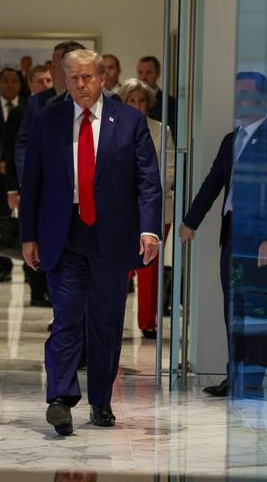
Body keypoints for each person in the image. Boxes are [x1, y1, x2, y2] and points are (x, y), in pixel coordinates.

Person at [20, 49, 162, 435]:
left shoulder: (130, 122)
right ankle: (61, 398)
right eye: (73, 78)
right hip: (62, 233)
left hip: (113, 237)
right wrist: (28, 235)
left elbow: (149, 181)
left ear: (103, 79)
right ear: (63, 79)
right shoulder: (48, 119)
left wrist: (149, 230)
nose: (81, 85)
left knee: (105, 323)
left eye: (88, 77)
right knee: (66, 318)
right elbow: (32, 181)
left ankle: (101, 400)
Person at [179, 71, 267, 399]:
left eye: (244, 94)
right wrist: (190, 222)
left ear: (262, 99)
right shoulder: (231, 140)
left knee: (255, 311)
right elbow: (213, 184)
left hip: (260, 241)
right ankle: (235, 376)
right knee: (233, 308)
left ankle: (253, 382)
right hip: (232, 236)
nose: (238, 100)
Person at [15, 41, 85, 319]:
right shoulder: (40, 103)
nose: (55, 69)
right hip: (51, 200)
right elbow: (24, 145)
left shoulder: (109, 106)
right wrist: (28, 181)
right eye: (54, 63)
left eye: (61, 63)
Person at [119, 78, 175, 339]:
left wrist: (149, 192)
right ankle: (113, 319)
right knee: (118, 268)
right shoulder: (113, 126)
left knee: (150, 269)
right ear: (124, 101)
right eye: (132, 100)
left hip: (153, 208)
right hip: (120, 209)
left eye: (142, 100)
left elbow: (170, 168)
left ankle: (147, 321)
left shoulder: (161, 129)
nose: (138, 105)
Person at [0, 68, 26, 283]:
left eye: (14, 81)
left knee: (24, 221)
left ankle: (27, 262)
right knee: (2, 220)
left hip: (19, 174)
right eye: (5, 81)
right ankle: (3, 264)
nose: (10, 85)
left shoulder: (26, 107)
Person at [136, 55, 176, 137]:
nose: (143, 77)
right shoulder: (127, 101)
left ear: (157, 74)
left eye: (148, 73)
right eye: (140, 72)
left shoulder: (170, 103)